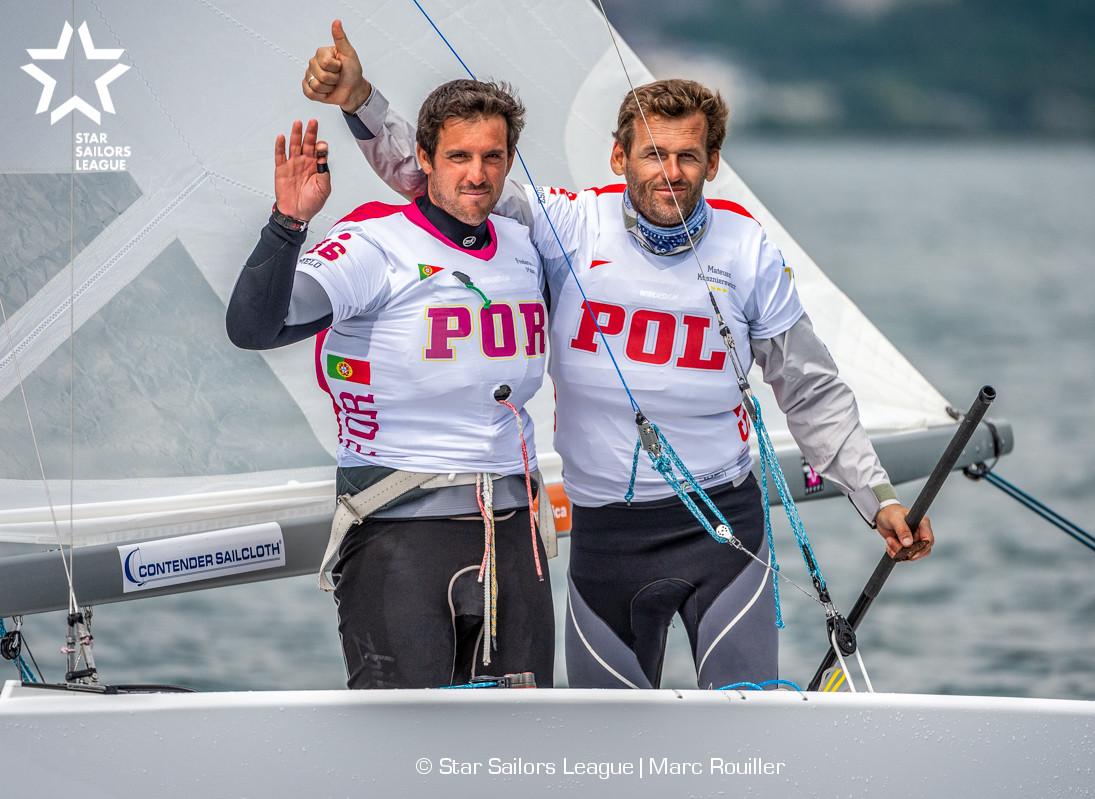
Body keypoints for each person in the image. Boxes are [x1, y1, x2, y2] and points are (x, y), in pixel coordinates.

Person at [302, 22, 934, 689]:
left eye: (688, 156)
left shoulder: (747, 251)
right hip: (607, 541)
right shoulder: (567, 227)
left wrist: (878, 498)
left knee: (746, 716)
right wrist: (360, 101)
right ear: (618, 157)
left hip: (725, 532)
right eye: (654, 154)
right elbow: (437, 174)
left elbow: (811, 389)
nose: (671, 172)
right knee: (607, 739)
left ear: (713, 163)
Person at [225, 79, 555, 689]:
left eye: (492, 157)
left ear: (510, 160)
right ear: (424, 158)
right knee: (403, 738)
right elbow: (254, 327)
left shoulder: (524, 243)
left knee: (524, 736)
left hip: (514, 533)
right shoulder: (375, 246)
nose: (477, 174)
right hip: (400, 534)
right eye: (458, 156)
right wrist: (288, 223)